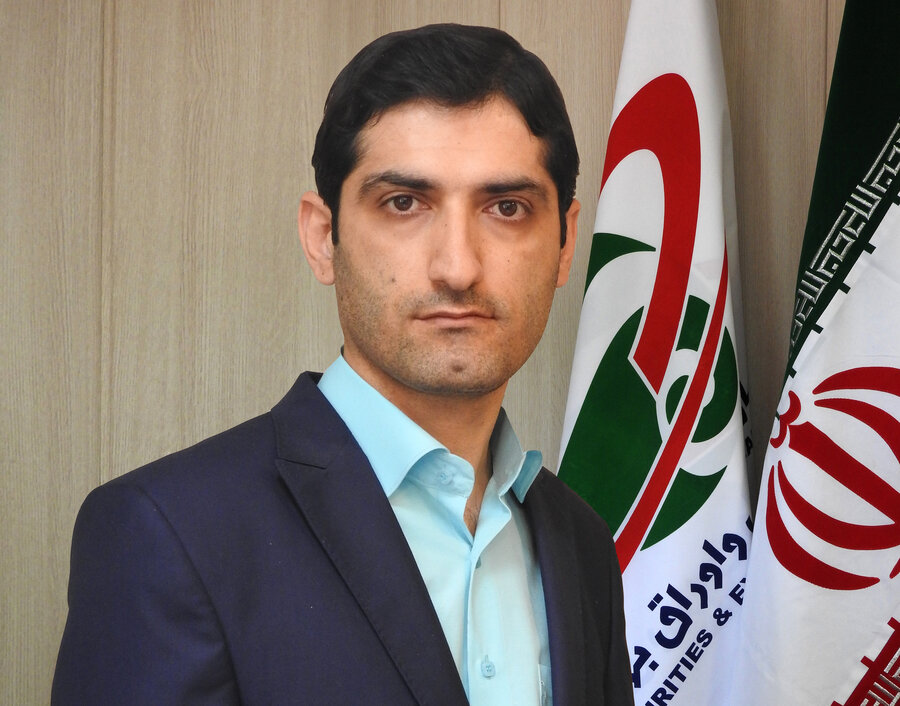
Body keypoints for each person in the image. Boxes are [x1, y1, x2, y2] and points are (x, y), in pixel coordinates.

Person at [52, 23, 634, 706]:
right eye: (404, 203)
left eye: (507, 208)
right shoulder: (170, 532)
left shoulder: (583, 545)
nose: (457, 267)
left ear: (564, 245)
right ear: (323, 237)